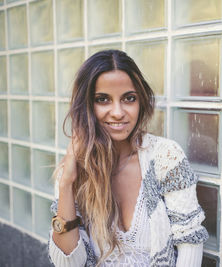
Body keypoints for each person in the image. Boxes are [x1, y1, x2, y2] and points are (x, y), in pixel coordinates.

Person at [48, 50, 208, 267]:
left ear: (140, 101)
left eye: (128, 98)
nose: (117, 112)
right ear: (86, 106)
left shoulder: (165, 157)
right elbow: (67, 264)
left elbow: (190, 244)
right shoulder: (72, 171)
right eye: (102, 99)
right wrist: (67, 183)